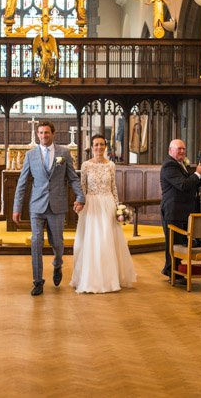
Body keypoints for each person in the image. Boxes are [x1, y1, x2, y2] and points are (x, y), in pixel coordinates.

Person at [12, 121, 85, 296]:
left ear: (53, 134)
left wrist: (81, 197)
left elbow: (73, 178)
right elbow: (22, 183)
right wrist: (17, 207)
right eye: (40, 133)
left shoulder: (64, 153)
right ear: (37, 135)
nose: (43, 136)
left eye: (46, 133)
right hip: (36, 206)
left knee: (57, 244)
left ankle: (57, 264)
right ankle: (38, 281)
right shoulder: (30, 155)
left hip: (57, 206)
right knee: (36, 243)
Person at [70, 134, 136, 293]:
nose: (99, 147)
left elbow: (113, 188)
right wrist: (79, 203)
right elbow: (83, 187)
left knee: (107, 240)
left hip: (108, 205)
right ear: (91, 147)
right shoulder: (86, 165)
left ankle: (110, 279)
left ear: (105, 146)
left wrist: (118, 208)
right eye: (96, 145)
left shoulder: (111, 165)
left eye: (101, 144)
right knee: (92, 241)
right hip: (91, 205)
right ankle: (91, 279)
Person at [159, 138, 201, 280]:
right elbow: (183, 185)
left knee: (178, 243)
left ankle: (172, 271)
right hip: (174, 210)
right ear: (170, 150)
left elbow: (191, 184)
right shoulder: (169, 166)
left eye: (183, 149)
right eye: (179, 149)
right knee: (173, 244)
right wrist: (197, 173)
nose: (182, 151)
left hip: (182, 210)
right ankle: (173, 273)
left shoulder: (179, 164)